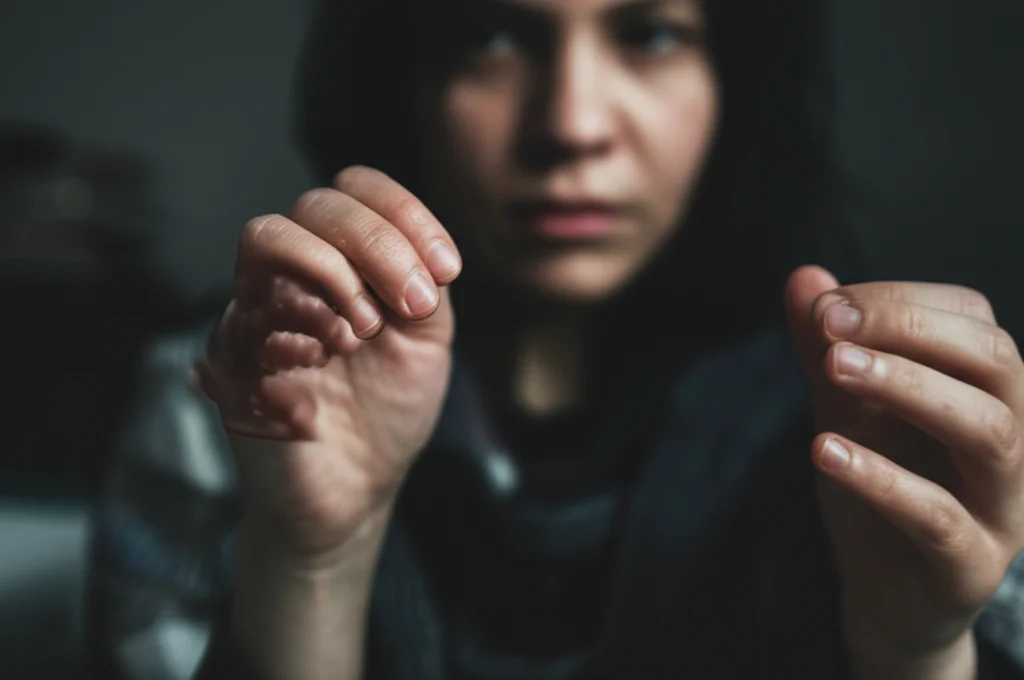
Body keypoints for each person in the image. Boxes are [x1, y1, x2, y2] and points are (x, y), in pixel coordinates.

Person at [92, 0, 1024, 678]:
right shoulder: (237, 399)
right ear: (403, 77)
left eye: (650, 33)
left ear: (734, 76)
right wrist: (308, 561)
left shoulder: (889, 437)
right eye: (492, 34)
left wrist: (917, 651)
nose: (571, 126)